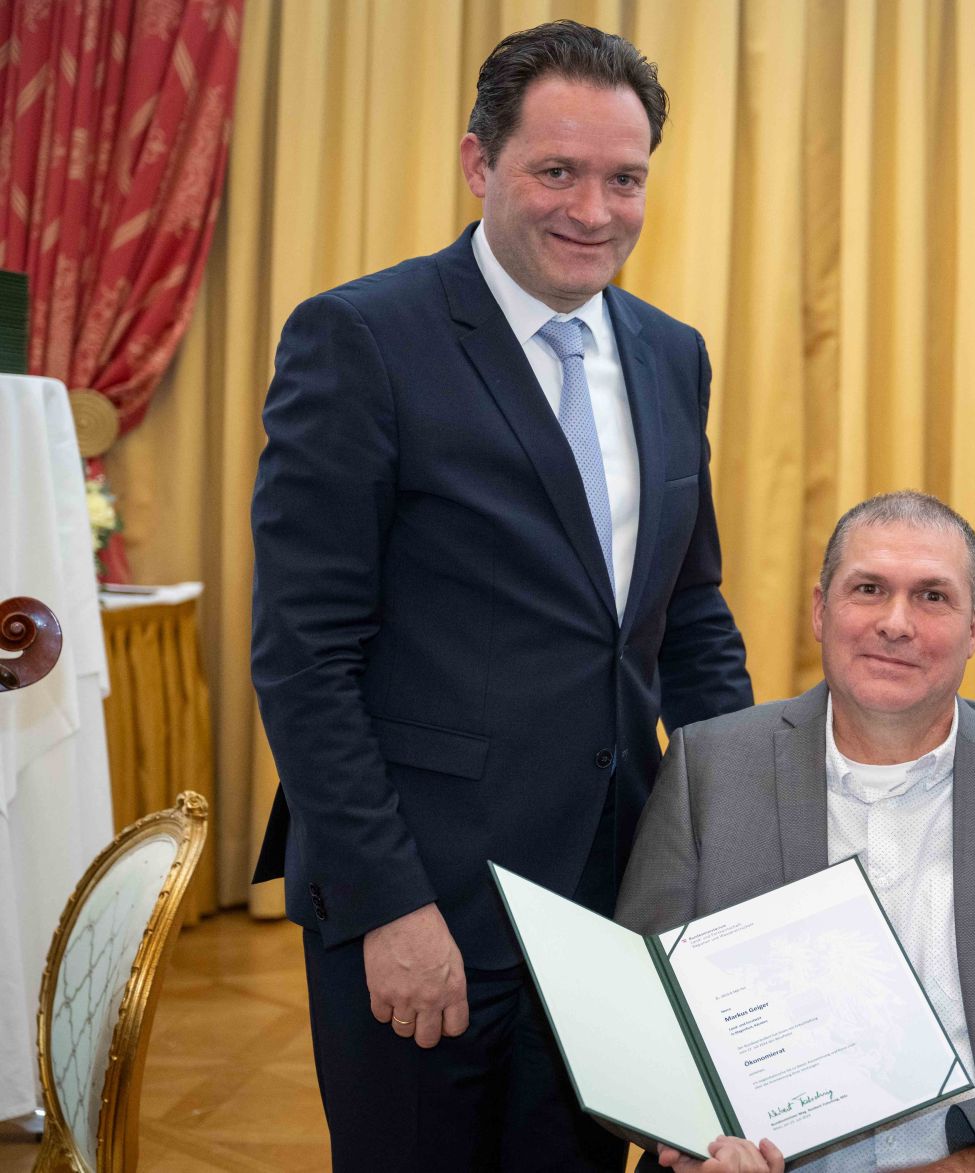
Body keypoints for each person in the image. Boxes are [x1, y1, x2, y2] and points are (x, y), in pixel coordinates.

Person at [250, 22, 751, 1172]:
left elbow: (691, 620)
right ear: (479, 164)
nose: (595, 209)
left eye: (624, 178)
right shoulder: (362, 339)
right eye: (556, 172)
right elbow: (303, 653)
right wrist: (388, 904)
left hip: (607, 908)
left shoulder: (671, 353)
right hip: (425, 900)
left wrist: (742, 839)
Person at [616, 491, 975, 1173]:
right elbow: (637, 1027)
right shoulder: (707, 770)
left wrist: (974, 1167)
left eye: (932, 597)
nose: (896, 622)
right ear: (819, 609)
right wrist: (699, 1140)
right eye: (868, 588)